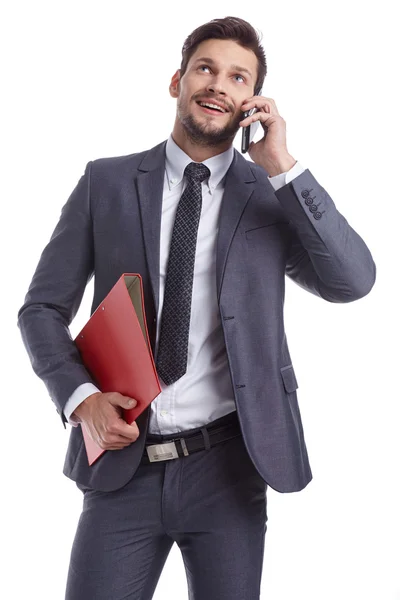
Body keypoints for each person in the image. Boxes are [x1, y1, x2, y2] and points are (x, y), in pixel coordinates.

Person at [17, 15, 376, 600]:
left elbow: (353, 281)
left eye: (238, 77)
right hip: (123, 462)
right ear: (177, 81)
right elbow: (41, 309)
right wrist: (82, 402)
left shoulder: (268, 193)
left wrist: (284, 166)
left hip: (230, 468)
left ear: (251, 102)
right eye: (206, 68)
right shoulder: (104, 183)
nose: (218, 84)